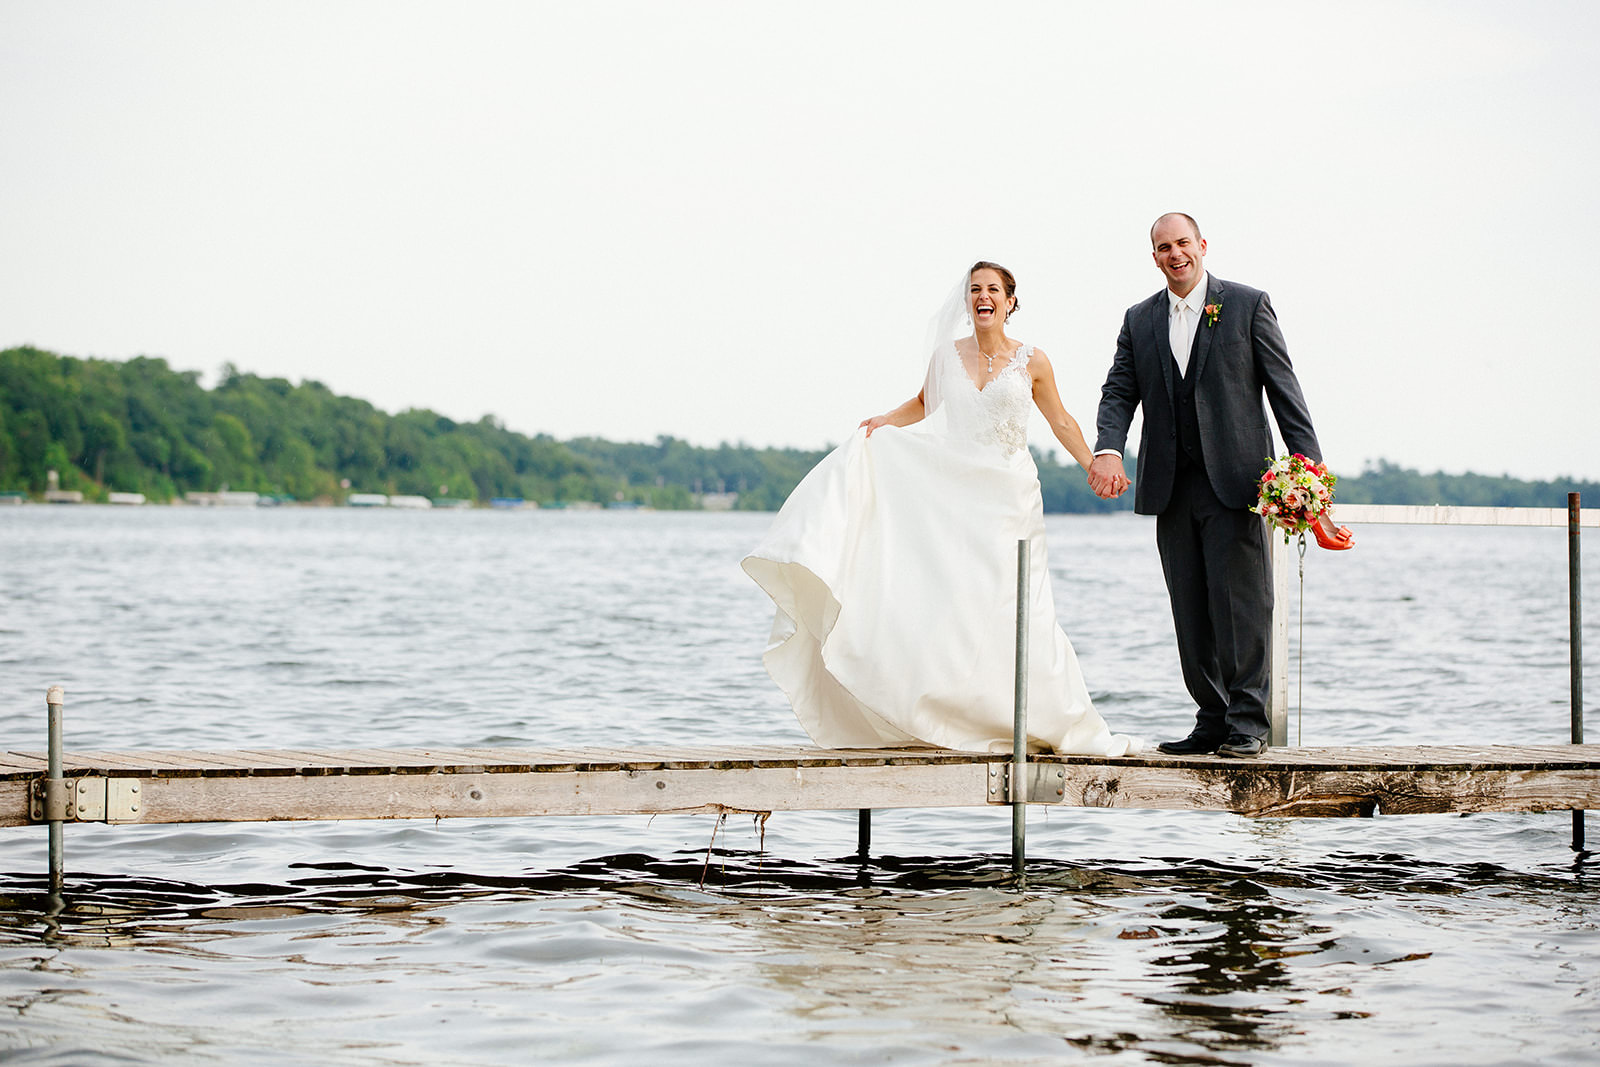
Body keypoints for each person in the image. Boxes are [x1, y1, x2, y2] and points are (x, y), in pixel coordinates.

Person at [742, 262, 1140, 756]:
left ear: (1011, 302)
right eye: (975, 289)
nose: (983, 296)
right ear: (968, 301)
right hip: (956, 497)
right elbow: (924, 402)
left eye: (993, 289)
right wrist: (886, 422)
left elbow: (1060, 420)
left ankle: (1035, 712)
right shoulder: (946, 357)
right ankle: (951, 712)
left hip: (1010, 497)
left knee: (1016, 603)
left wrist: (1092, 466)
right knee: (957, 601)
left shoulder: (1033, 361)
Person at [1088, 213, 1352, 759]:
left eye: (1183, 243)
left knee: (1243, 607)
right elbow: (1119, 391)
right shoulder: (1139, 319)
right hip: (1170, 486)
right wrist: (1109, 447)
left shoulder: (1247, 304)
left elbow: (1286, 394)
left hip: (1237, 483)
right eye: (1163, 247)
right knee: (1190, 608)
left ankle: (1247, 724)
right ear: (1154, 256)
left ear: (1202, 245)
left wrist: (1314, 485)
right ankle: (1211, 719)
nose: (1174, 254)